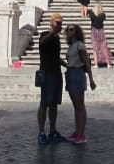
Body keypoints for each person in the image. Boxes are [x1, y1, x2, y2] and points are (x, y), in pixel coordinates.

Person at [64, 24, 97, 144]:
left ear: (76, 32)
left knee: (80, 106)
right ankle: (77, 131)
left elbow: (86, 63)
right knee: (76, 107)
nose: (68, 31)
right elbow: (70, 62)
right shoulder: (71, 46)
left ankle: (82, 134)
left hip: (78, 74)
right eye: (67, 29)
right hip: (70, 74)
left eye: (71, 29)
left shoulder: (80, 45)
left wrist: (91, 79)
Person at [37, 13, 67, 146]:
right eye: (57, 22)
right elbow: (42, 44)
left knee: (54, 103)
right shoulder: (45, 35)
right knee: (44, 103)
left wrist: (68, 65)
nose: (59, 25)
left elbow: (56, 57)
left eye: (61, 23)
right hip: (46, 73)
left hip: (56, 73)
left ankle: (53, 130)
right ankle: (41, 132)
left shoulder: (56, 39)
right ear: (51, 23)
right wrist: (52, 33)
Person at [87, 2, 113, 68]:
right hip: (101, 30)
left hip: (94, 31)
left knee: (95, 48)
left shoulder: (92, 14)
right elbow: (103, 19)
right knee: (104, 47)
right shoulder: (103, 15)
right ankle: (108, 64)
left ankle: (96, 64)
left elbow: (89, 15)